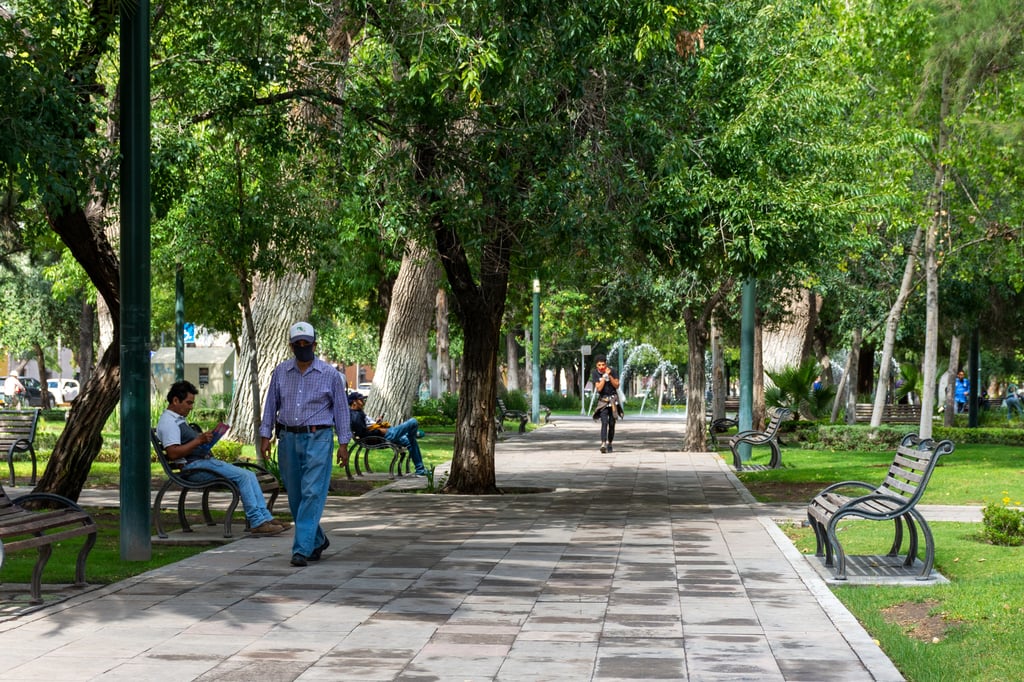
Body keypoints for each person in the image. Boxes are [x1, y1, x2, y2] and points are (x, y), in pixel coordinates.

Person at [260, 321, 352, 568]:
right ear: (291, 346)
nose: (302, 347)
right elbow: (271, 405)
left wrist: (343, 443)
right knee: (296, 495)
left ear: (314, 344)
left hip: (319, 438)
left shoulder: (330, 375)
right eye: (297, 344)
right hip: (288, 438)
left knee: (312, 492)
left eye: (306, 344)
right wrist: (264, 435)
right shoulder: (280, 372)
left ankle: (300, 549)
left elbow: (342, 411)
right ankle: (318, 539)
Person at [156, 381, 288, 536]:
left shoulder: (177, 419)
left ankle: (265, 518)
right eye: (188, 403)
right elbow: (173, 453)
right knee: (244, 477)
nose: (191, 407)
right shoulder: (169, 422)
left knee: (249, 475)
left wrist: (204, 440)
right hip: (194, 469)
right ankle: (257, 522)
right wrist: (198, 441)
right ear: (175, 400)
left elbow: (186, 445)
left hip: (203, 463)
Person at [347, 392, 428, 476]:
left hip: (387, 432)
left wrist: (377, 423)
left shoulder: (359, 413)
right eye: (360, 399)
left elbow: (369, 427)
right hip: (386, 436)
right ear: (354, 402)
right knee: (413, 422)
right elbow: (363, 433)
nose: (363, 401)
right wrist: (379, 431)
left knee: (412, 441)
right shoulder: (355, 416)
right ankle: (412, 435)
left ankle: (420, 470)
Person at [591, 354, 623, 453]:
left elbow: (617, 385)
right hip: (603, 401)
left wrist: (609, 375)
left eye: (603, 364)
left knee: (612, 423)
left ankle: (610, 443)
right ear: (596, 365)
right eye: (599, 365)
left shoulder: (612, 371)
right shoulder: (595, 373)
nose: (601, 367)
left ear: (606, 364)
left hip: (613, 401)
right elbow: (599, 388)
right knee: (604, 422)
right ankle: (603, 443)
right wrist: (604, 378)